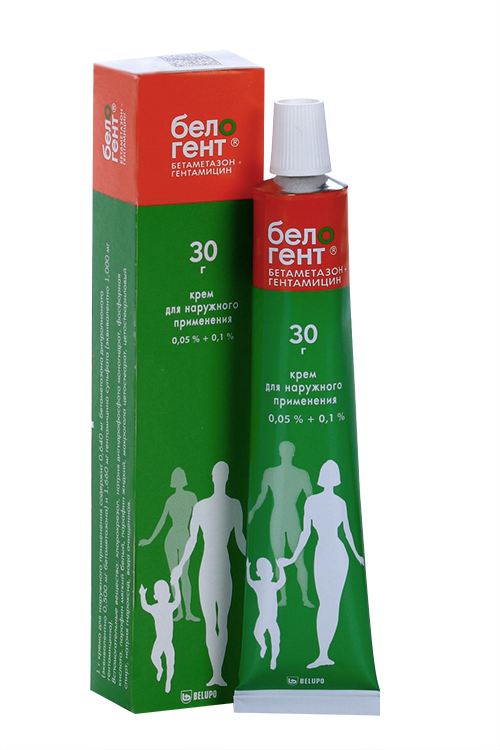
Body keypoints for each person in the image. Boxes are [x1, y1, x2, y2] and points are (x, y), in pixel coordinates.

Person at [171, 461, 246, 687]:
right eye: (218, 474)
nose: (219, 477)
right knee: (212, 622)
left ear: (220, 477)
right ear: (215, 477)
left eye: (221, 474)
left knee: (220, 621)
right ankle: (215, 674)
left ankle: (218, 674)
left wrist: (252, 559)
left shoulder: (233, 505)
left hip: (222, 566)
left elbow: (240, 540)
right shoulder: (202, 507)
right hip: (208, 568)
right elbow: (192, 540)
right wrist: (180, 565)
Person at [284, 459, 364, 668]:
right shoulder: (311, 502)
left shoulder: (340, 503)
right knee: (325, 603)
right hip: (323, 552)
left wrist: (357, 555)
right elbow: (305, 533)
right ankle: (322, 654)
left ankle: (325, 654)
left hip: (338, 554)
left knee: (333, 603)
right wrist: (293, 557)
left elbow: (347, 532)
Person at [248, 441, 314, 607]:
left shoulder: (301, 474)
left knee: (299, 559)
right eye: (283, 450)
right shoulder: (270, 473)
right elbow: (262, 496)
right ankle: (283, 598)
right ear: (280, 452)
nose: (285, 453)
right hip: (277, 517)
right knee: (278, 559)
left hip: (291, 517)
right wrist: (253, 511)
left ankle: (304, 597)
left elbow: (310, 499)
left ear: (292, 453)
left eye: (287, 450)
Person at [139, 467, 199, 622]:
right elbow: (162, 521)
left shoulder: (191, 497)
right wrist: (150, 539)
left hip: (185, 537)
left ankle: (188, 612)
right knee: (175, 576)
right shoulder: (171, 500)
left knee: (184, 574)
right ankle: (179, 611)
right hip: (172, 539)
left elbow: (198, 517)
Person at [139, 579, 181, 693]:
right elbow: (145, 606)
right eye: (160, 594)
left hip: (168, 642)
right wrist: (142, 594)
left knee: (170, 663)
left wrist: (176, 586)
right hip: (159, 640)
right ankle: (160, 669)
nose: (163, 596)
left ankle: (168, 681)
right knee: (154, 657)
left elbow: (177, 600)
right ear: (155, 596)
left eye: (165, 593)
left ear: (168, 595)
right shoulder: (155, 608)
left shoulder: (169, 607)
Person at [246, 557, 286, 670]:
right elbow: (250, 581)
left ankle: (274, 659)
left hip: (272, 620)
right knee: (257, 633)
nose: (267, 575)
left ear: (272, 574)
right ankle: (263, 646)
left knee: (276, 641)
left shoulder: (273, 585)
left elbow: (282, 581)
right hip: (262, 618)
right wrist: (247, 568)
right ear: (258, 574)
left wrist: (281, 568)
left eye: (268, 572)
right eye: (263, 572)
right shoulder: (258, 585)